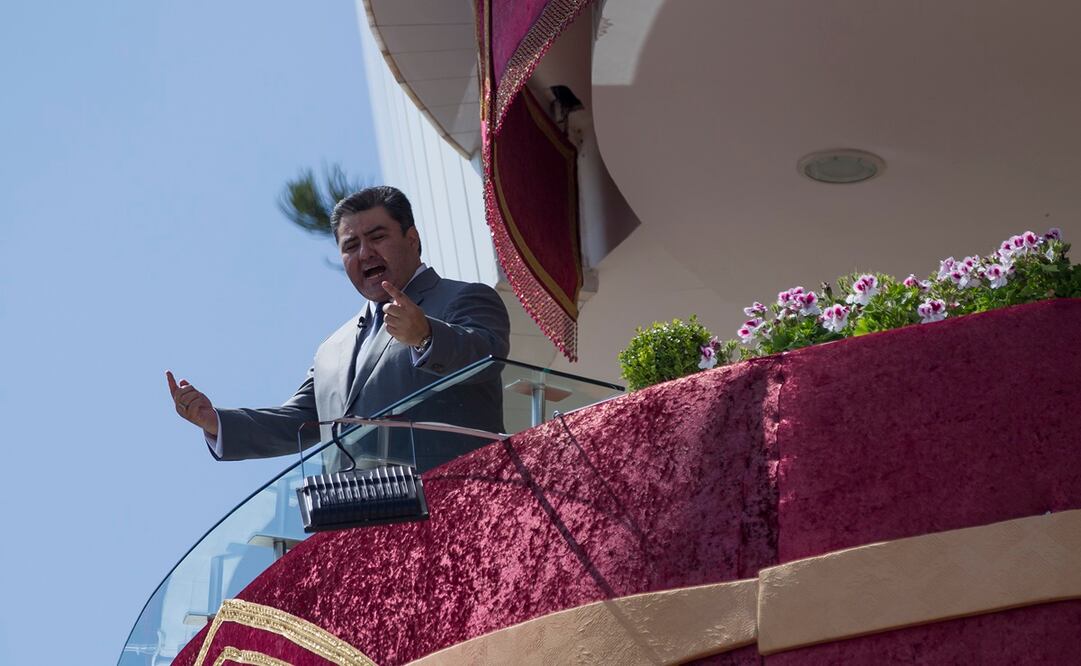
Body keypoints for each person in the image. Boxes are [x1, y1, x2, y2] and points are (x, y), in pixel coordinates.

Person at [167, 186, 510, 471]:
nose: (364, 253)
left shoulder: (463, 297)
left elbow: (487, 356)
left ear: (412, 238)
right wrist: (216, 422)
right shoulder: (332, 349)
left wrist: (426, 336)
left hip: (457, 504)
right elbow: (299, 422)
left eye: (377, 237)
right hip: (355, 525)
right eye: (350, 246)